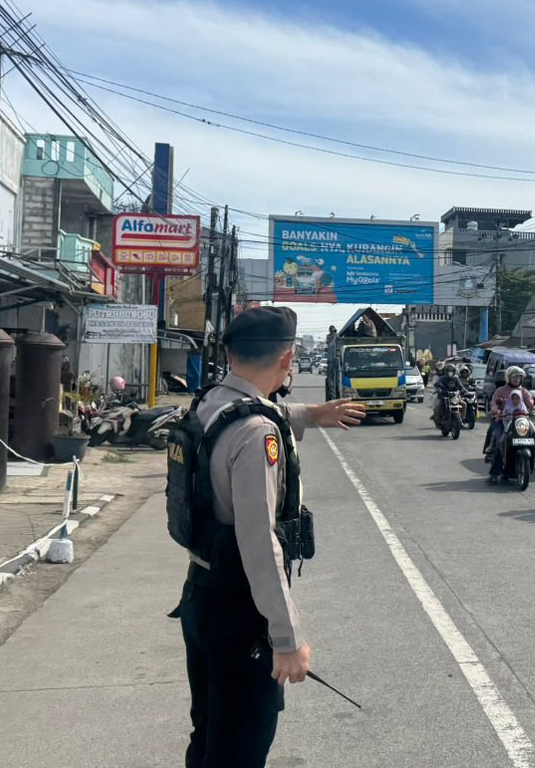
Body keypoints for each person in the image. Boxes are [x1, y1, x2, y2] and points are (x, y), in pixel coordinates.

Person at [174, 305, 365, 768]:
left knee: (210, 736)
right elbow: (259, 542)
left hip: (201, 596)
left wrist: (311, 414)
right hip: (240, 611)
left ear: (230, 354)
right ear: (287, 359)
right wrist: (287, 637)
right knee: (239, 749)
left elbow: (256, 411)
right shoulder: (258, 434)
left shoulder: (208, 402)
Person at [485, 365, 529, 481]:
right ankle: (494, 474)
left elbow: (530, 402)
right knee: (501, 442)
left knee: (532, 433)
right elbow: (494, 403)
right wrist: (496, 411)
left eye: (518, 377)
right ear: (508, 378)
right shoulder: (500, 390)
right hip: (503, 421)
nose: (516, 379)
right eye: (514, 377)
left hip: (520, 423)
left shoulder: (523, 391)